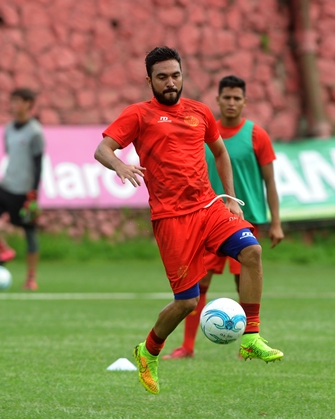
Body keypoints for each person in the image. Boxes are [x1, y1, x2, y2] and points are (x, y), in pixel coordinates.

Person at [94, 47, 283, 395]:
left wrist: (230, 197)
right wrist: (120, 165)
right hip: (171, 219)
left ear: (183, 75)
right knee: (187, 302)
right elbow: (103, 149)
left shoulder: (200, 112)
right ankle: (148, 351)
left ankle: (251, 336)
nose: (170, 82)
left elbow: (221, 152)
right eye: (162, 77)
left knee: (252, 251)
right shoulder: (138, 114)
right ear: (149, 80)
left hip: (209, 207)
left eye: (175, 75)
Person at [163, 75, 285, 360]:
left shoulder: (257, 135)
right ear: (217, 100)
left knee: (242, 280)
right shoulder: (203, 131)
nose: (231, 103)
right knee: (198, 285)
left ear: (245, 101)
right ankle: (187, 347)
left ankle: (248, 344)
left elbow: (270, 182)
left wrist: (276, 222)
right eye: (226, 97)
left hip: (246, 219)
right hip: (206, 220)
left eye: (236, 98)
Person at [0, 88, 45, 291]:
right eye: (12, 101)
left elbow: (38, 164)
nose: (13, 105)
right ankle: (3, 249)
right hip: (6, 185)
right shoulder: (8, 129)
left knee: (29, 230)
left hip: (24, 191)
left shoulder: (35, 132)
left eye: (17, 101)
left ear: (28, 104)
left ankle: (31, 279)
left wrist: (33, 194)